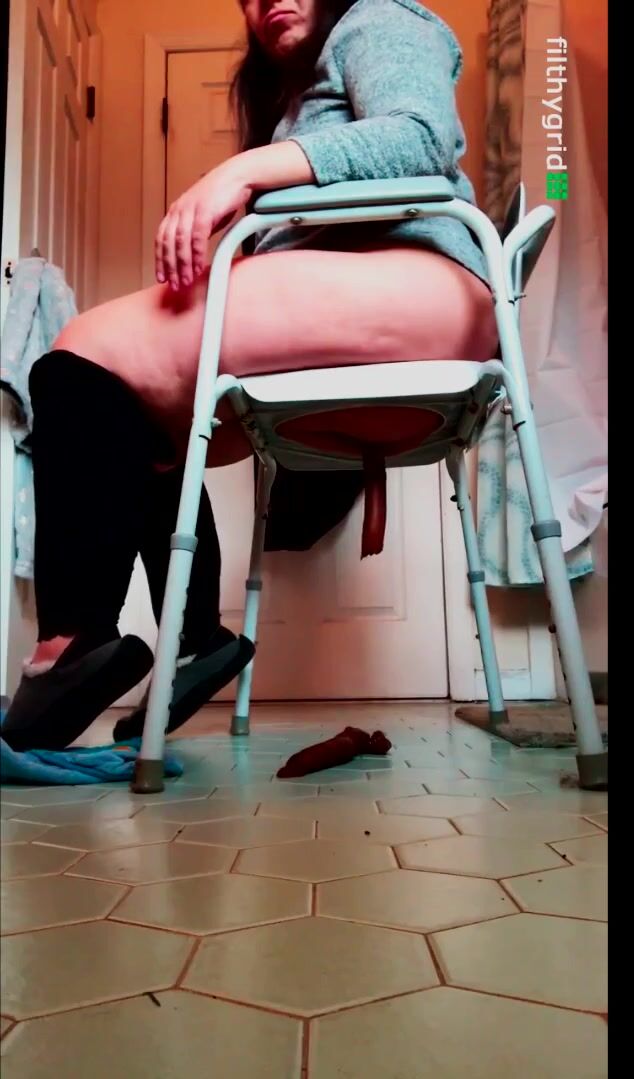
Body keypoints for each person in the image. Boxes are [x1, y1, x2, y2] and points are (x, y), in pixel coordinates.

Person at [0, 0, 498, 752]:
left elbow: (421, 135)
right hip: (387, 305)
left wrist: (239, 171)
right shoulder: (299, 91)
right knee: (142, 420)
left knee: (80, 358)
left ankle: (68, 644)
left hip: (419, 285)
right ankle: (196, 639)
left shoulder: (377, 18)